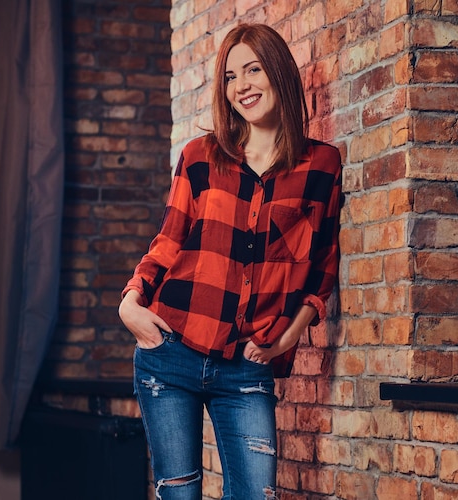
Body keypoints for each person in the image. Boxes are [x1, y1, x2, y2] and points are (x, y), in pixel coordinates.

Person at [118, 23, 342, 500]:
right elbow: (168, 241)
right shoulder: (201, 157)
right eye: (230, 76)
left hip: (245, 364)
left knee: (256, 494)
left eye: (253, 70)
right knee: (178, 494)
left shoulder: (321, 166)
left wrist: (288, 334)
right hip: (171, 348)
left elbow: (322, 266)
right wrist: (131, 304)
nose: (241, 86)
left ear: (278, 73)